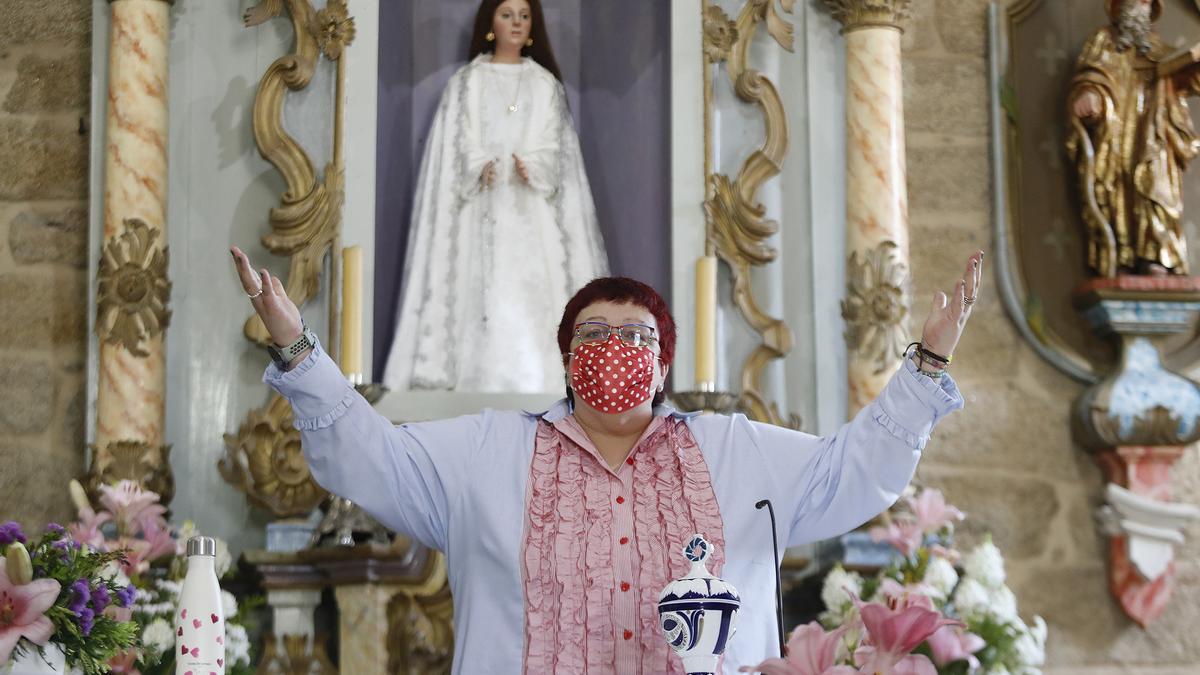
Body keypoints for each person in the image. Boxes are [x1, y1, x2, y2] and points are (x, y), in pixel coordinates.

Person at [230, 245, 984, 674]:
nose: (615, 352)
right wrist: (297, 346)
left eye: (637, 339)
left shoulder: (738, 449)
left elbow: (858, 470)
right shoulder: (489, 450)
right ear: (566, 360)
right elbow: (370, 460)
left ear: (663, 369)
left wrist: (925, 363)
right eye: (594, 336)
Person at [382, 0, 609, 393]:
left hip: (532, 213)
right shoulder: (468, 82)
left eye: (523, 15)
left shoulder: (543, 84)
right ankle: (474, 376)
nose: (516, 23)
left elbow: (559, 151)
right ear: (491, 24)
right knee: (477, 290)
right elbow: (455, 143)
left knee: (537, 294)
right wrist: (477, 166)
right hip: (481, 210)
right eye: (507, 15)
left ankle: (543, 377)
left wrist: (535, 165)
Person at [1067, 0, 1200, 276]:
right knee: (1117, 189)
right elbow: (1092, 73)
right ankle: (1121, 257)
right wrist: (1090, 93)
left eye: (1145, 0)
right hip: (1115, 134)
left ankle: (1158, 257)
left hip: (1155, 133)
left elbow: (1186, 78)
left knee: (1156, 187)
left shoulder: (1158, 46)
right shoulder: (1104, 40)